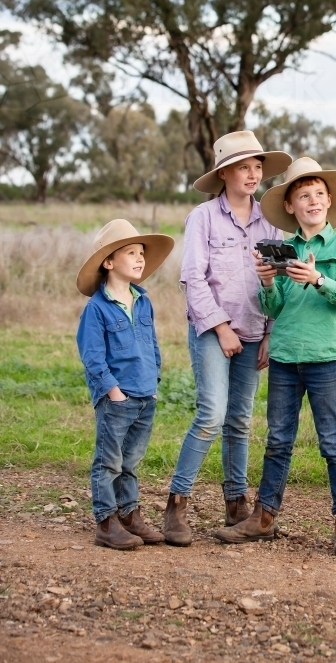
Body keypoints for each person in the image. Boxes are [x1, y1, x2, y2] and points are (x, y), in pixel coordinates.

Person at [215, 156, 336, 555]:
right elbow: (274, 308)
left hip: (326, 356)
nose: (312, 201)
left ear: (329, 200)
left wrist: (319, 279)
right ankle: (264, 517)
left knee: (333, 440)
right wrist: (267, 283)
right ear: (290, 206)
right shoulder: (283, 249)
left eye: (318, 194)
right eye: (303, 196)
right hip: (284, 356)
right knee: (278, 440)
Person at [163, 131, 291, 546]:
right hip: (211, 330)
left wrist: (270, 333)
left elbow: (278, 281)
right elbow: (193, 278)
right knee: (211, 415)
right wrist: (219, 327)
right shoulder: (203, 217)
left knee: (239, 420)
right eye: (244, 167)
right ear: (224, 173)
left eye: (257, 167)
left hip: (255, 330)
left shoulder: (270, 220)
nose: (253, 174)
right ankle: (176, 504)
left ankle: (236, 504)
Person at [76, 219, 175, 551]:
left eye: (141, 253)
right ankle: (106, 522)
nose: (139, 259)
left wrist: (155, 382)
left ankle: (129, 514)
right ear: (109, 262)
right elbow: (92, 356)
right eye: (130, 252)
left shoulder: (143, 301)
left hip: (146, 393)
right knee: (109, 460)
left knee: (131, 460)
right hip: (117, 397)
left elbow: (152, 345)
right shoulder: (97, 309)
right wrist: (112, 391)